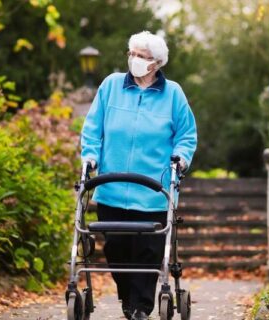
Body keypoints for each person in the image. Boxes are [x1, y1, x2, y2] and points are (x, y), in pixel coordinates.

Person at [80, 30, 197, 320]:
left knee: (148, 251)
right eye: (131, 54)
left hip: (154, 191)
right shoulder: (110, 87)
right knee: (117, 249)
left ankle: (141, 307)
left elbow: (186, 135)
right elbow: (93, 128)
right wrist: (90, 155)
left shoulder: (173, 95)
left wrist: (180, 159)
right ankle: (128, 299)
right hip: (112, 188)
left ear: (156, 63)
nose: (134, 60)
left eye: (141, 56)